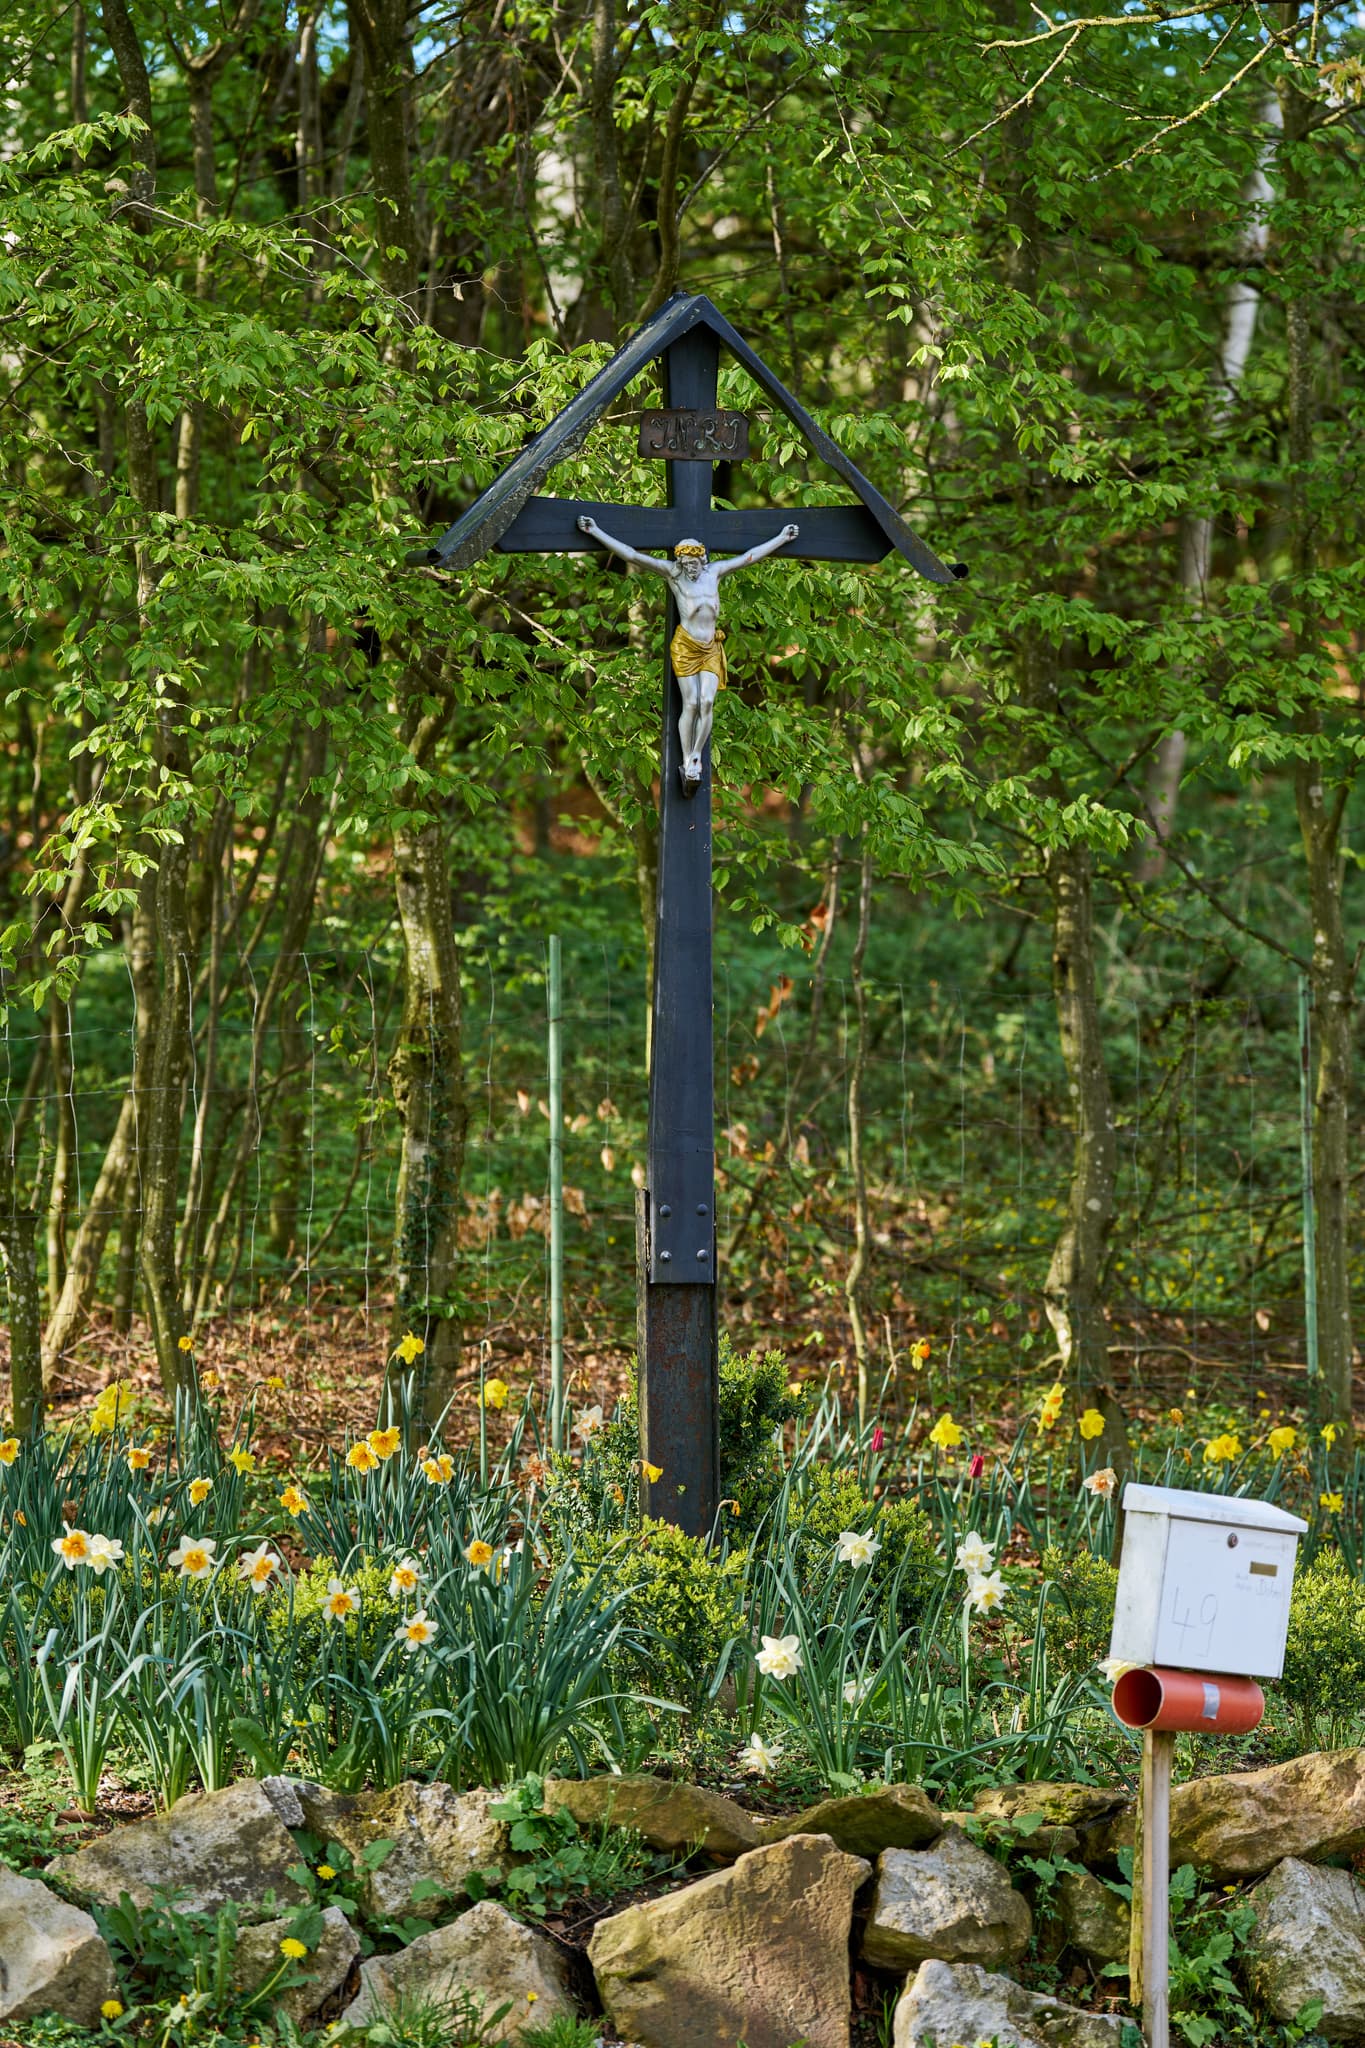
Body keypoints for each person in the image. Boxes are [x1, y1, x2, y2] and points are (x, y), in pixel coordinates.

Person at [576, 515, 800, 793]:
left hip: (710, 648)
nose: (689, 569)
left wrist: (782, 538)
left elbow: (748, 557)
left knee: (707, 702)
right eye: (685, 564)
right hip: (685, 647)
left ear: (702, 560)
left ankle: (696, 755)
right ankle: (687, 759)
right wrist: (596, 530)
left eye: (693, 564)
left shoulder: (715, 572)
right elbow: (632, 554)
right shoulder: (673, 575)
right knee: (691, 704)